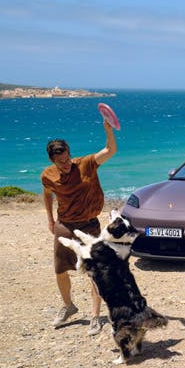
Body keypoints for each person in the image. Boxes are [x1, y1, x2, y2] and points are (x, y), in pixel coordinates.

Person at [41, 118, 117, 334]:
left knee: (93, 272)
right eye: (60, 162)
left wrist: (108, 130)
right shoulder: (47, 175)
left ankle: (95, 316)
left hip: (89, 226)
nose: (65, 164)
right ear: (52, 160)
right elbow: (47, 194)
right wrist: (49, 219)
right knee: (60, 270)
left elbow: (110, 150)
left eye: (66, 159)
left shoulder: (86, 164)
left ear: (69, 154)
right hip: (64, 225)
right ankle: (68, 306)